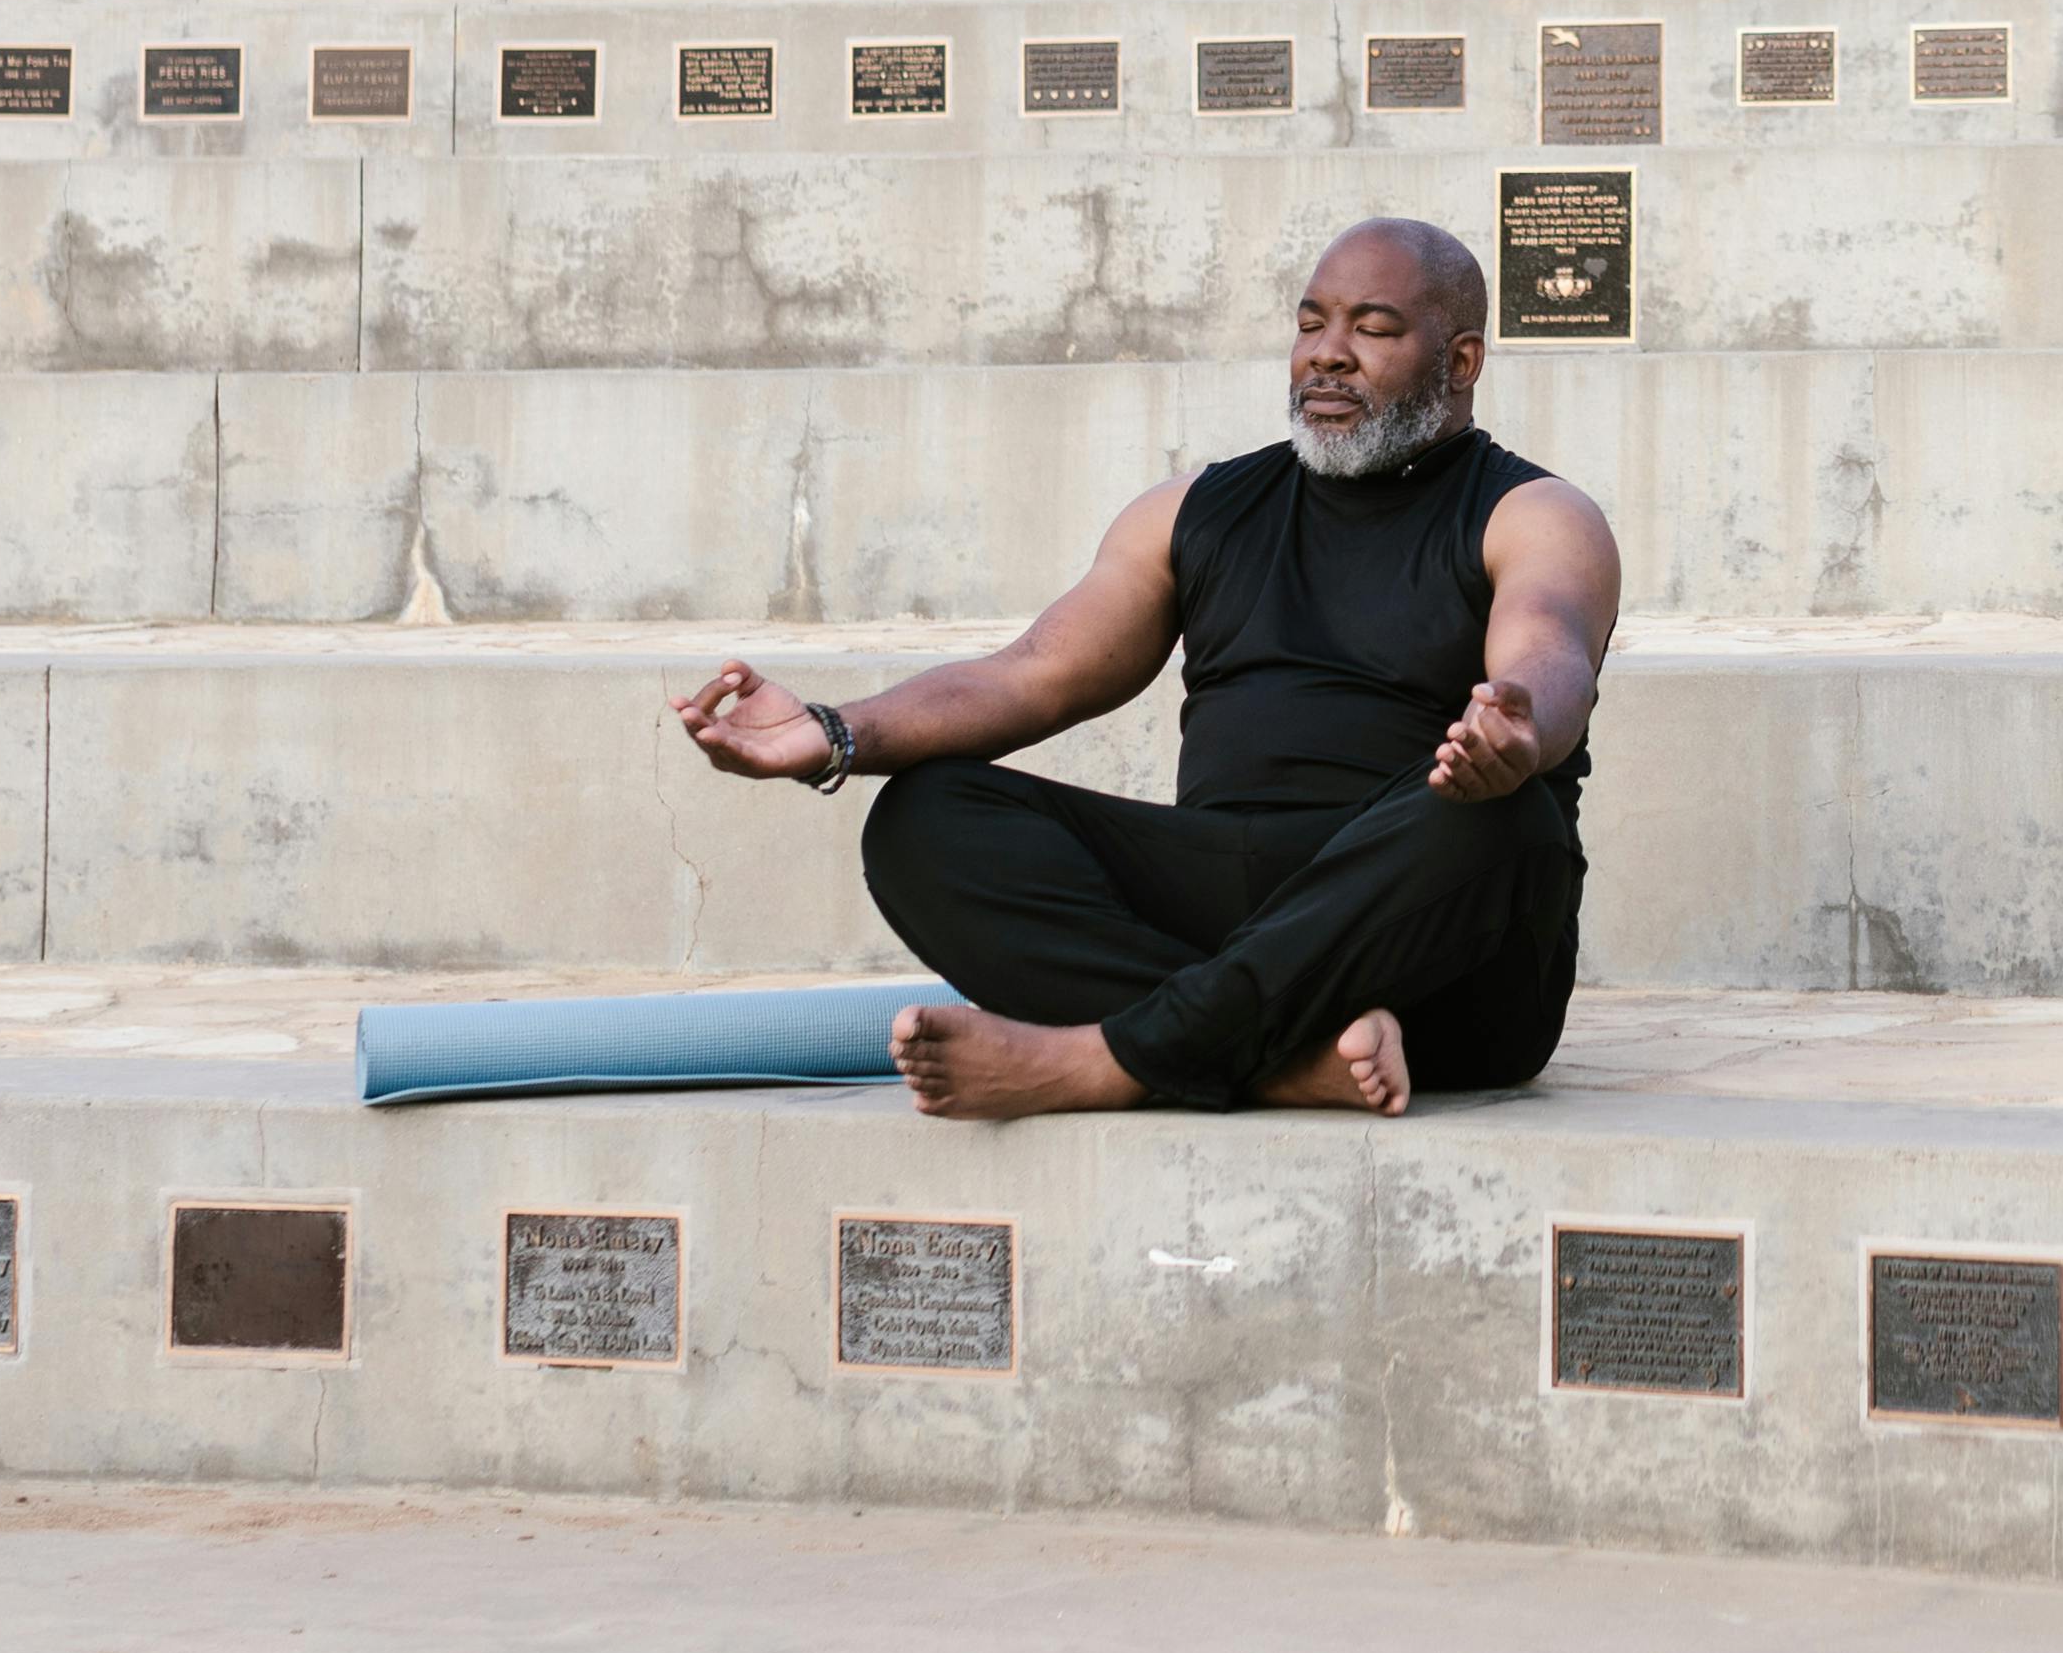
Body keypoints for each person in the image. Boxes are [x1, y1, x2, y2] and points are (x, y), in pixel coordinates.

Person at [669, 217, 1621, 1121]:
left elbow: (1548, 646)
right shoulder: (1194, 510)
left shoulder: (1532, 512)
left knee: (1507, 817)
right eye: (1309, 324)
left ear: (1460, 363)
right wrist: (836, 733)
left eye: (1372, 329)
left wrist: (1521, 725)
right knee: (925, 817)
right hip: (1230, 898)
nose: (1327, 352)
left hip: (1422, 942)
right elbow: (1035, 673)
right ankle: (1280, 1064)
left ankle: (1104, 1060)